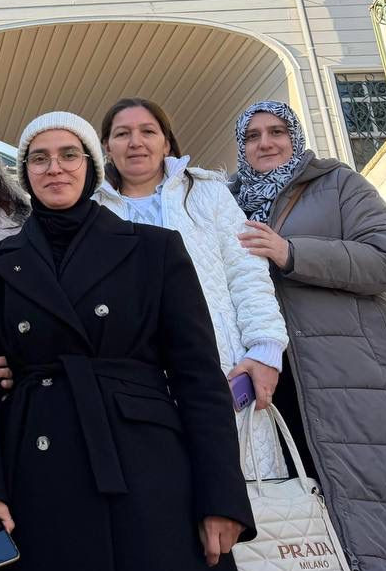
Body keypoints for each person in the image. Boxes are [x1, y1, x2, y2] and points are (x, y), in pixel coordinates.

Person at [0, 111, 257, 571]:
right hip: (35, 468)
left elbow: (198, 380)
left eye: (69, 155)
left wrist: (222, 497)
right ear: (25, 173)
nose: (55, 168)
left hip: (149, 469)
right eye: (39, 158)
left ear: (91, 165)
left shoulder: (155, 248)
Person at [231, 101, 386, 571]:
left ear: (296, 138)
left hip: (362, 374)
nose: (266, 143)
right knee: (309, 509)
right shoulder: (229, 201)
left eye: (277, 132)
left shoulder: (338, 184)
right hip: (283, 382)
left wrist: (290, 252)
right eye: (252, 136)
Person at [92, 97, 288, 478]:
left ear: (166, 142)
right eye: (122, 134)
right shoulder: (92, 209)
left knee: (238, 484)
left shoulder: (208, 193)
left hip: (221, 366)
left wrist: (266, 351)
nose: (136, 142)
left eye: (148, 131)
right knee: (156, 487)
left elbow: (247, 274)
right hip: (132, 380)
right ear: (106, 147)